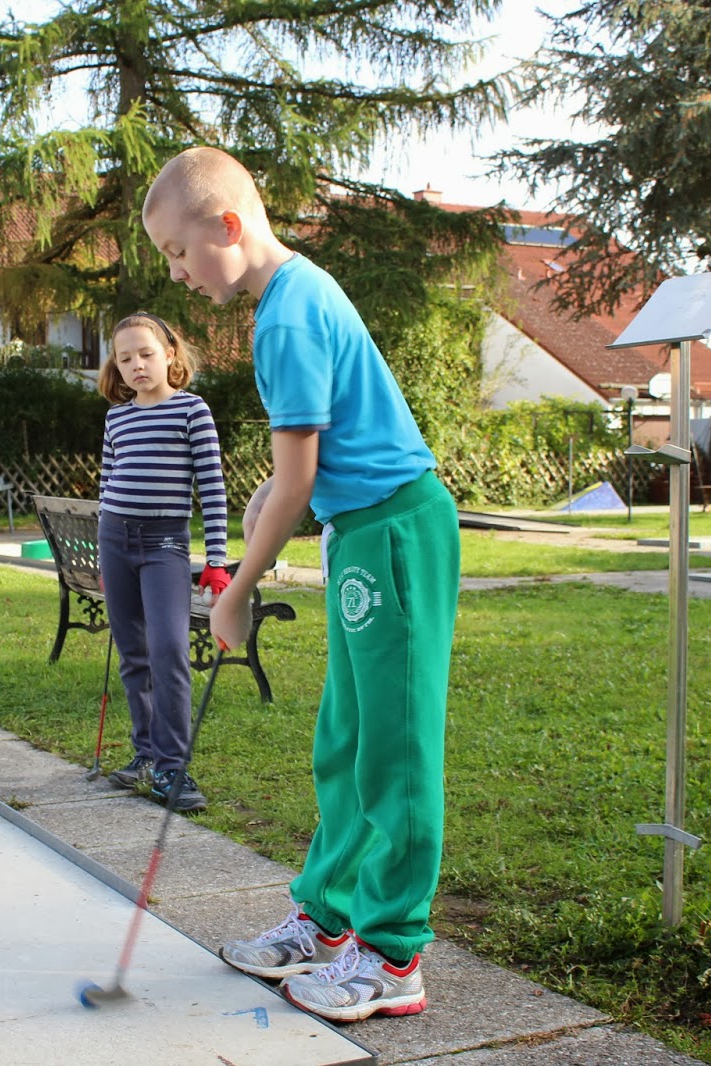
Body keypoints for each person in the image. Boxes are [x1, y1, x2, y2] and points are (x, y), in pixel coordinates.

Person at [141, 146, 460, 1023]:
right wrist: (266, 500)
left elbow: (298, 475)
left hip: (393, 532)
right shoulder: (295, 293)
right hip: (362, 531)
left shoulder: (283, 318)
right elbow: (304, 462)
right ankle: (324, 922)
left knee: (393, 747)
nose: (177, 275)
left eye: (177, 252)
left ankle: (393, 956)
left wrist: (236, 590)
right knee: (347, 738)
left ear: (227, 228)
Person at [96, 311, 232, 814]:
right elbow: (106, 485)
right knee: (133, 652)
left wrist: (216, 560)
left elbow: (212, 490)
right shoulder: (117, 416)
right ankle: (145, 754)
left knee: (170, 649)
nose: (136, 365)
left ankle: (173, 764)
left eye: (146, 354)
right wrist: (103, 561)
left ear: (170, 354)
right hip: (115, 540)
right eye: (125, 357)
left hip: (165, 544)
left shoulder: (192, 411)